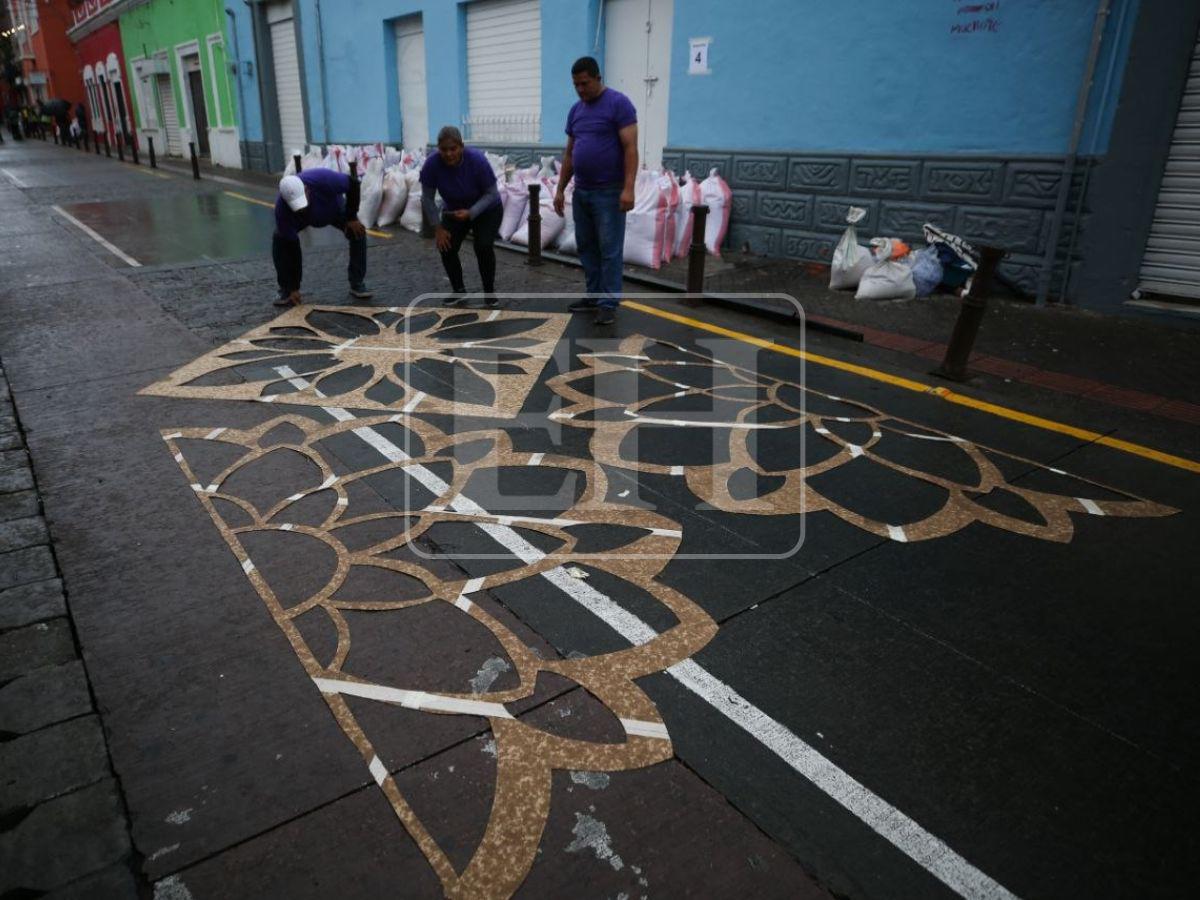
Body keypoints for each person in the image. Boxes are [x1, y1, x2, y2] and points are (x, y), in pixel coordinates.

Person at [553, 56, 638, 326]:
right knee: (586, 247)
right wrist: (559, 189)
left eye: (584, 83)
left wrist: (628, 189)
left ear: (598, 78)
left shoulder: (618, 104)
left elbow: (630, 149)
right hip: (583, 192)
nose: (580, 89)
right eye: (576, 85)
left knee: (609, 249)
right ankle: (593, 296)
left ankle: (608, 302)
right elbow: (569, 154)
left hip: (609, 192)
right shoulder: (576, 111)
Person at [419, 125, 503, 307]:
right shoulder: (432, 164)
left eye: (453, 149)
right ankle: (458, 290)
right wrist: (438, 228)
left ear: (461, 147)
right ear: (438, 148)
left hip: (485, 208)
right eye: (444, 149)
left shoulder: (477, 161)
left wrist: (471, 212)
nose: (449, 154)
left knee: (483, 246)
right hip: (454, 209)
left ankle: (489, 293)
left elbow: (492, 193)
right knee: (446, 245)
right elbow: (427, 198)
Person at [272, 168, 372, 307]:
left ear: (306, 189)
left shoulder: (323, 179)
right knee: (280, 240)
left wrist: (351, 218)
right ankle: (286, 290)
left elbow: (353, 184)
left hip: (334, 210)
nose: (301, 207)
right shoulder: (282, 211)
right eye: (296, 205)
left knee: (358, 232)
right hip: (302, 220)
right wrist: (294, 287)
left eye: (302, 201)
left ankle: (357, 283)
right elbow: (293, 251)